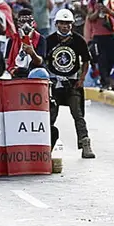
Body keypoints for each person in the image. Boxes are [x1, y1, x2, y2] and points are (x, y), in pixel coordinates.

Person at [45, 9, 95, 158]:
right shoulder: (49, 41)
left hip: (72, 83)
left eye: (68, 23)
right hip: (54, 84)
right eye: (62, 23)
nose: (65, 26)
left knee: (78, 114)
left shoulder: (78, 40)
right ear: (56, 24)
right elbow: (42, 60)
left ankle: (85, 143)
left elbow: (86, 61)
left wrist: (81, 79)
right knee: (50, 116)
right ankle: (46, 145)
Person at [5, 8, 46, 78]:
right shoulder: (12, 40)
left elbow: (40, 62)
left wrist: (32, 53)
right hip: (16, 74)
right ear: (18, 23)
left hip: (34, 74)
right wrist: (13, 71)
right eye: (23, 21)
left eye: (29, 21)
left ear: (33, 23)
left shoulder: (40, 38)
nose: (26, 25)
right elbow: (7, 61)